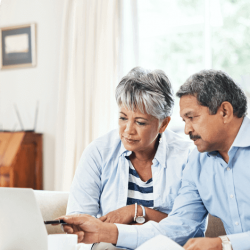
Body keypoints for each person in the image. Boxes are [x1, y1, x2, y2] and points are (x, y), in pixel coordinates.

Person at [61, 69, 250, 250]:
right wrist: (107, 231)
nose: (186, 130)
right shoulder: (199, 162)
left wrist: (225, 244)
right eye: (185, 120)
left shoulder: (187, 157)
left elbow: (190, 233)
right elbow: (177, 226)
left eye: (192, 118)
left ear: (224, 112)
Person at [65, 67, 195, 249]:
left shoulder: (187, 157)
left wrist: (137, 212)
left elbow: (189, 228)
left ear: (163, 124)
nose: (128, 130)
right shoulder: (99, 152)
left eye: (140, 122)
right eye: (123, 118)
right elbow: (78, 222)